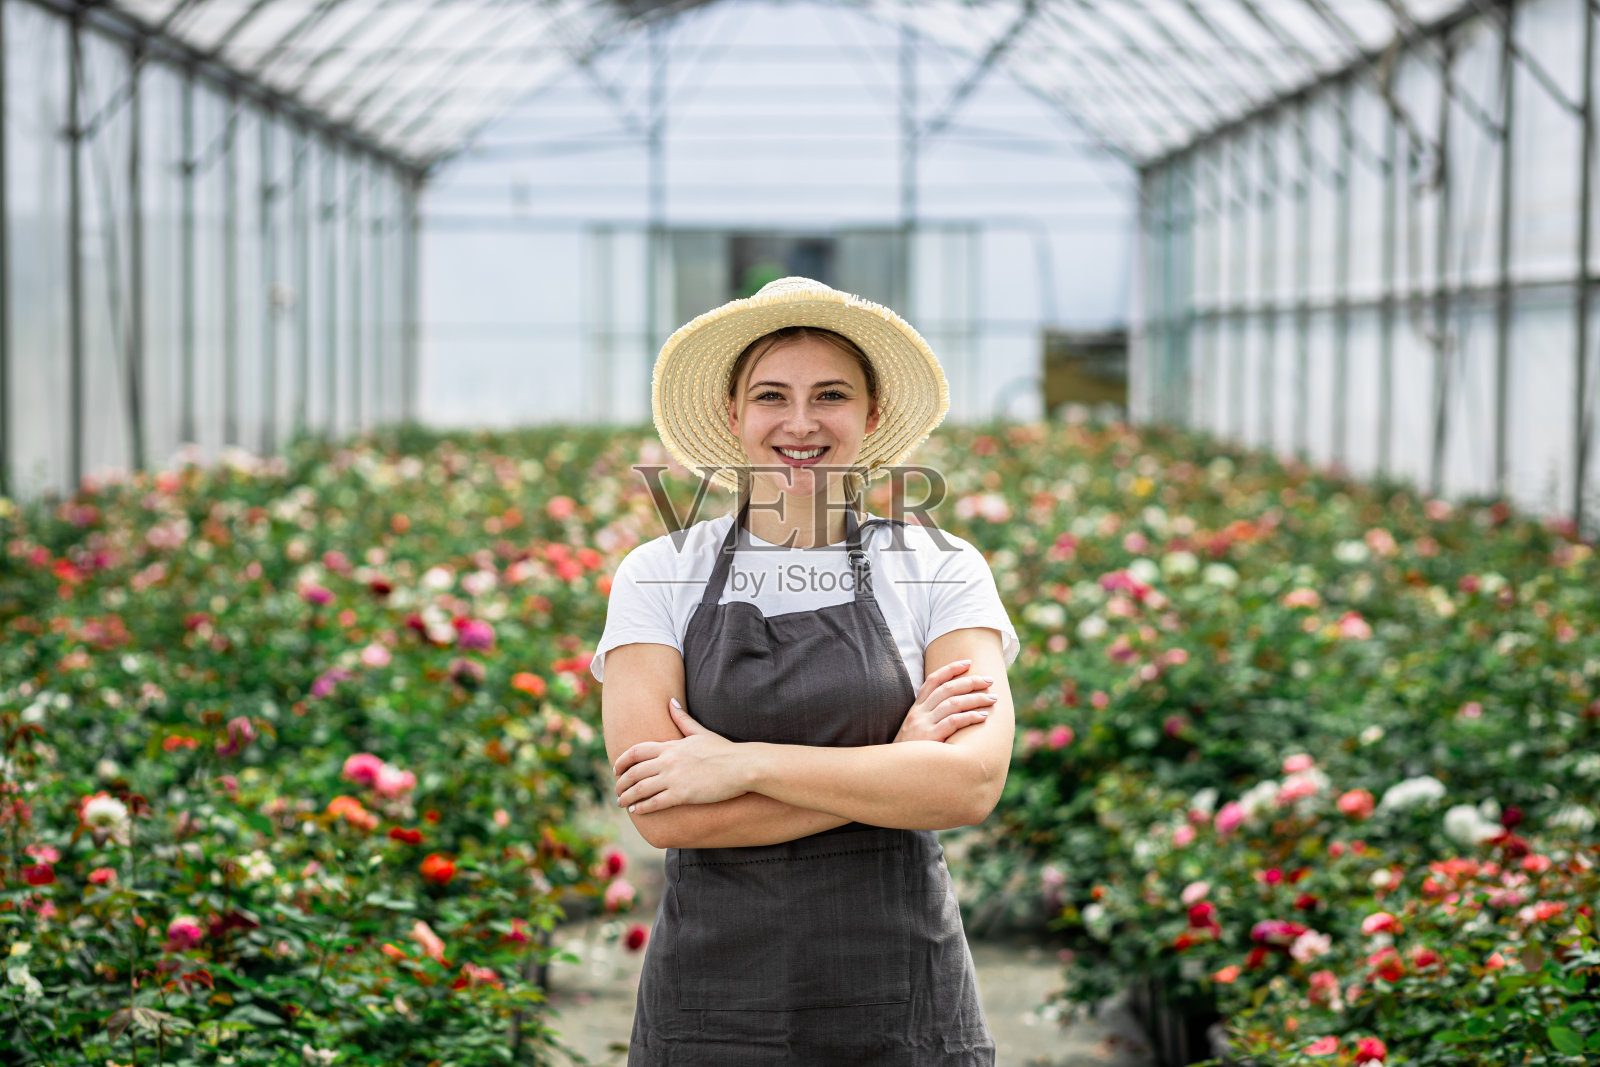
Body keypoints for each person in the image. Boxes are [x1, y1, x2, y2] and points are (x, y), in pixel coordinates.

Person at [589, 276, 1020, 1066]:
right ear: (733, 415)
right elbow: (664, 813)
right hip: (715, 1003)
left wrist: (740, 763)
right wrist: (893, 768)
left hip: (902, 999)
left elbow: (968, 785)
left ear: (872, 415)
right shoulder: (659, 572)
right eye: (770, 396)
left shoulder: (940, 568)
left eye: (830, 394)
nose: (799, 422)